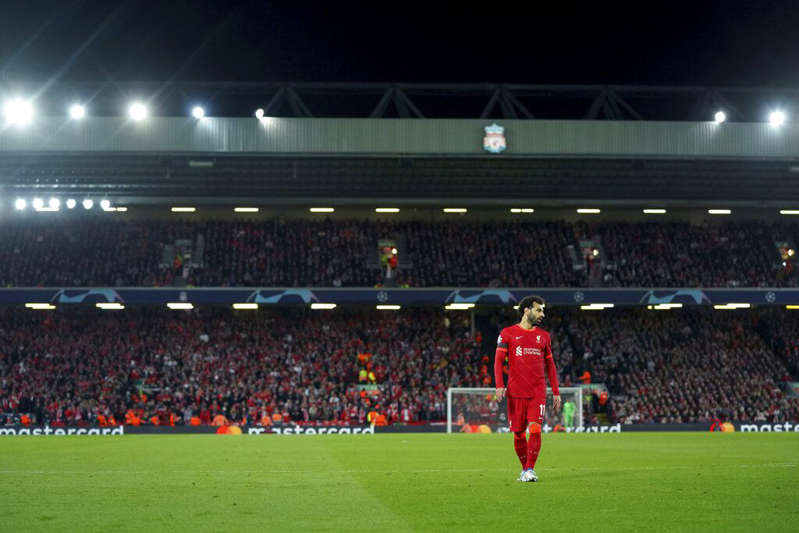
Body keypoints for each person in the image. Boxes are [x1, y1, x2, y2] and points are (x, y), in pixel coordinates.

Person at [495, 295, 561, 482]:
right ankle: (524, 470)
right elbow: (498, 361)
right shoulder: (507, 333)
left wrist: (556, 392)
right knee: (518, 433)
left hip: (537, 392)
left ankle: (530, 469)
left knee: (535, 429)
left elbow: (551, 366)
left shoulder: (544, 336)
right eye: (539, 310)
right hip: (515, 392)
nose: (542, 314)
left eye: (543, 310)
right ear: (526, 310)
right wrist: (500, 385)